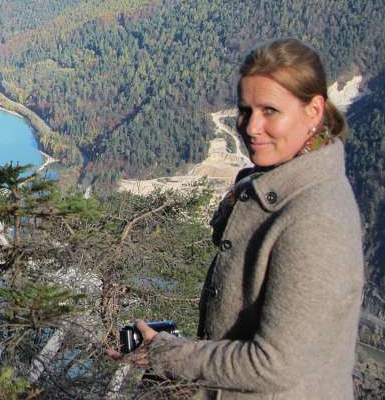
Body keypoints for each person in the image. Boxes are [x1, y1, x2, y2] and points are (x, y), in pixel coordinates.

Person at [108, 39, 364, 399]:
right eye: (245, 110)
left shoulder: (316, 220)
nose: (251, 127)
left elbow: (272, 365)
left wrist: (165, 354)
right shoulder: (277, 185)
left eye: (270, 111)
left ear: (314, 110)